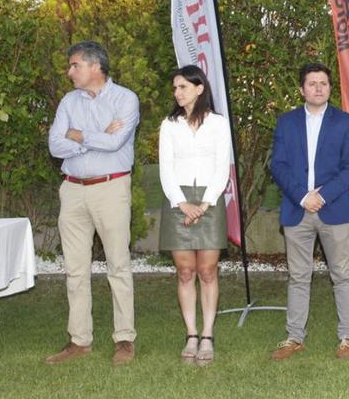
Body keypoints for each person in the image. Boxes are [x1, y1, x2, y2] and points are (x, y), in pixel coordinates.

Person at [45, 41, 140, 366]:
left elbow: (116, 143)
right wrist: (93, 137)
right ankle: (79, 341)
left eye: (74, 65)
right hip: (72, 190)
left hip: (110, 189)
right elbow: (56, 146)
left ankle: (124, 339)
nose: (69, 72)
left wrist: (79, 135)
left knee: (118, 265)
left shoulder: (125, 99)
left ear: (94, 66)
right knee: (75, 269)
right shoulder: (69, 101)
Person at [269, 62, 349, 361]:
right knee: (298, 275)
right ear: (302, 89)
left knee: (342, 274)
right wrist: (301, 196)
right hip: (297, 210)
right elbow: (278, 165)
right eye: (312, 83)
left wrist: (321, 196)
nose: (318, 88)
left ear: (330, 88)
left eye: (323, 83)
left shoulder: (345, 122)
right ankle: (294, 337)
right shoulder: (286, 122)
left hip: (333, 209)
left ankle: (347, 337)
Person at [157, 65, 231, 365]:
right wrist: (181, 203)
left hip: (210, 202)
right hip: (178, 203)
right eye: (175, 88)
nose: (177, 93)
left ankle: (207, 334)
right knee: (185, 271)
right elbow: (166, 168)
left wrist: (205, 204)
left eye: (183, 87)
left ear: (199, 88)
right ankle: (190, 333)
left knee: (207, 271)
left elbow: (221, 166)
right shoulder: (169, 125)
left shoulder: (218, 124)